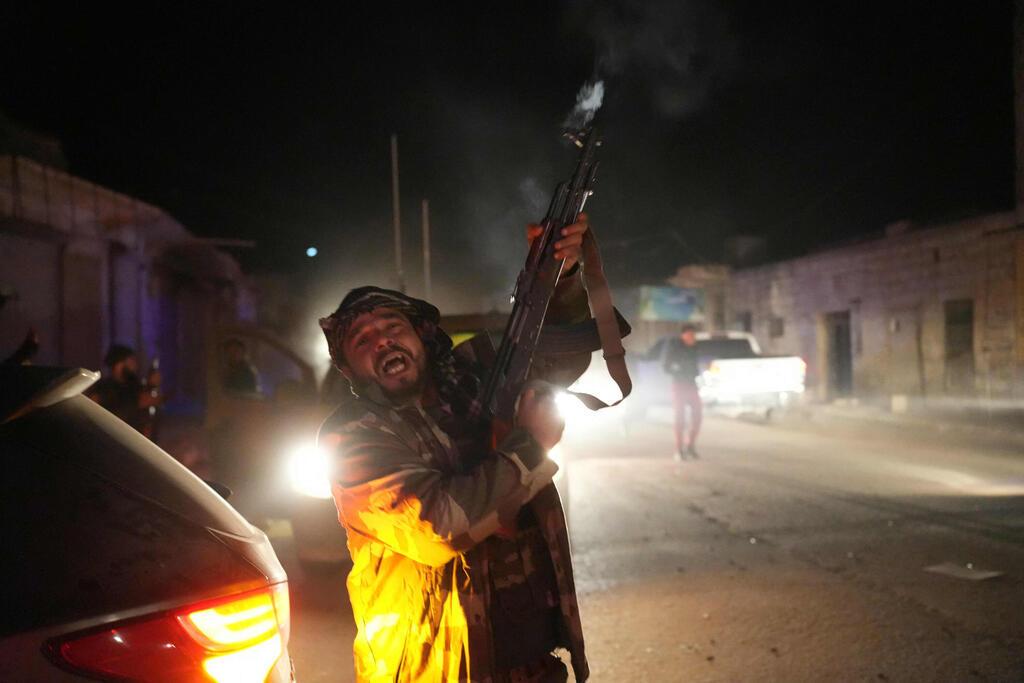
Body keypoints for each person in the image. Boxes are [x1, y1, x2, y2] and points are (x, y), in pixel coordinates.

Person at [318, 216, 594, 682]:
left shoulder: (476, 377)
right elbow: (436, 527)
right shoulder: (352, 436)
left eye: (393, 325)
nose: (383, 339)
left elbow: (559, 353)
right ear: (349, 372)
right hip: (437, 669)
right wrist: (529, 447)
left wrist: (561, 274)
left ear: (421, 336)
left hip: (530, 659)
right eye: (362, 340)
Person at [86, 344, 162, 433]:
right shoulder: (102, 388)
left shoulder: (133, 385)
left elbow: (150, 400)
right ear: (119, 364)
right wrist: (137, 403)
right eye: (131, 360)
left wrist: (152, 385)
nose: (135, 364)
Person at [662, 322, 702, 459]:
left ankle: (690, 445)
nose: (692, 338)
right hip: (678, 385)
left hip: (692, 385)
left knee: (697, 416)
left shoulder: (695, 348)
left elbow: (695, 365)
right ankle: (679, 450)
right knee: (680, 418)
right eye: (690, 335)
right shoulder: (674, 348)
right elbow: (665, 366)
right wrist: (678, 369)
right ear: (683, 335)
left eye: (693, 335)